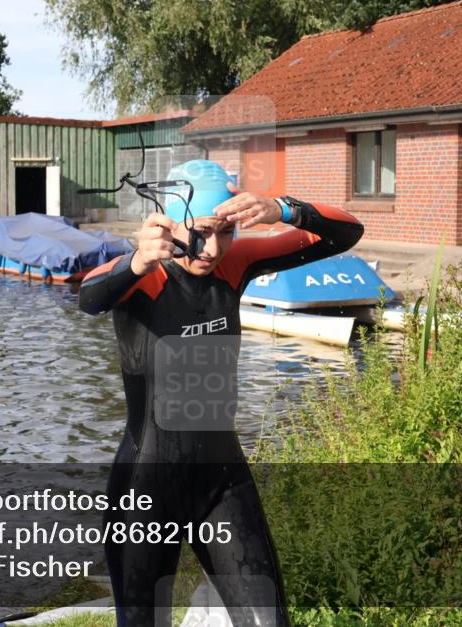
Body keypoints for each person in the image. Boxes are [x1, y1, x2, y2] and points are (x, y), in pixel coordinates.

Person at [78, 159, 364, 626]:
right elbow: (89, 296)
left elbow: (346, 233)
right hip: (146, 487)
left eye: (225, 231)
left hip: (221, 480)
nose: (212, 249)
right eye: (201, 232)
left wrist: (282, 209)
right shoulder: (144, 274)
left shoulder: (234, 264)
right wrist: (135, 261)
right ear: (171, 223)